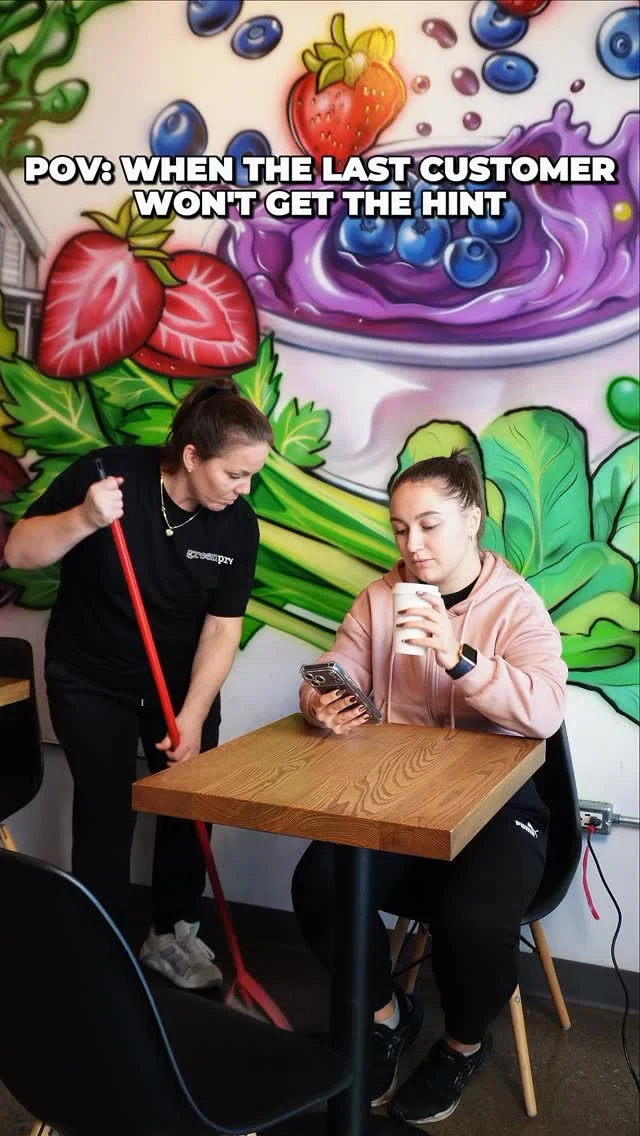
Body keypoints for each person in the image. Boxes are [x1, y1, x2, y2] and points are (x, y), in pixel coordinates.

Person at [292, 451, 567, 1126]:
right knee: (319, 883)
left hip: (499, 805)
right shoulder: (379, 598)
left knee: (473, 921)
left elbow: (545, 710)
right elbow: (335, 666)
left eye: (429, 525)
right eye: (399, 528)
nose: (411, 545)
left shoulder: (516, 604)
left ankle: (464, 1044)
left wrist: (459, 658)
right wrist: (319, 702)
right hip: (403, 797)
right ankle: (388, 1015)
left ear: (472, 520)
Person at [5, 379, 272, 991]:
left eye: (251, 476)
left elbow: (222, 629)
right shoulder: (108, 476)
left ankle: (171, 935)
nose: (244, 489)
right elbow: (19, 552)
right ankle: (99, 946)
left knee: (187, 802)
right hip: (90, 675)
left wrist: (194, 716)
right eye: (235, 474)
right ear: (191, 457)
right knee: (107, 807)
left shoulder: (237, 525)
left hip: (179, 683)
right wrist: (84, 517)